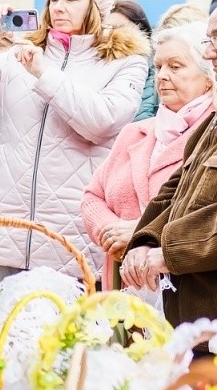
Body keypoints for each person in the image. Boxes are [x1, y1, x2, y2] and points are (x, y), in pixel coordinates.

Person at [0, 0, 148, 279]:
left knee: (69, 328)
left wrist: (43, 73)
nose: (59, 7)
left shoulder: (124, 60)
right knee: (13, 325)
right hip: (11, 223)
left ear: (96, 6)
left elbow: (103, 122)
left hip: (74, 227)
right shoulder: (18, 53)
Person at [82, 23, 213, 273]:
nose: (162, 75)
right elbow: (92, 196)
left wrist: (142, 232)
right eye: (158, 66)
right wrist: (110, 231)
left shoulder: (211, 135)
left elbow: (206, 217)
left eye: (175, 66)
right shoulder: (135, 133)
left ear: (208, 77)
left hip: (185, 285)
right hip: (126, 283)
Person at [108, 0, 159, 121]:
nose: (115, 35)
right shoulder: (95, 70)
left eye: (123, 29)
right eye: (109, 28)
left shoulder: (158, 73)